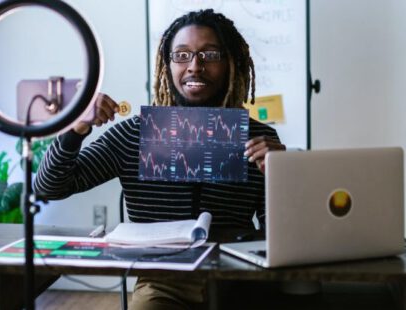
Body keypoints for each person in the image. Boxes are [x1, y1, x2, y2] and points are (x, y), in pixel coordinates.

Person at [34, 8, 285, 309]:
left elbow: (278, 233)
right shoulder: (133, 134)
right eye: (182, 55)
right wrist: (76, 128)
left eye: (210, 55)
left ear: (232, 64)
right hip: (162, 283)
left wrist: (282, 175)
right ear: (167, 66)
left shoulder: (259, 140)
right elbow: (50, 186)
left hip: (238, 277)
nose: (195, 66)